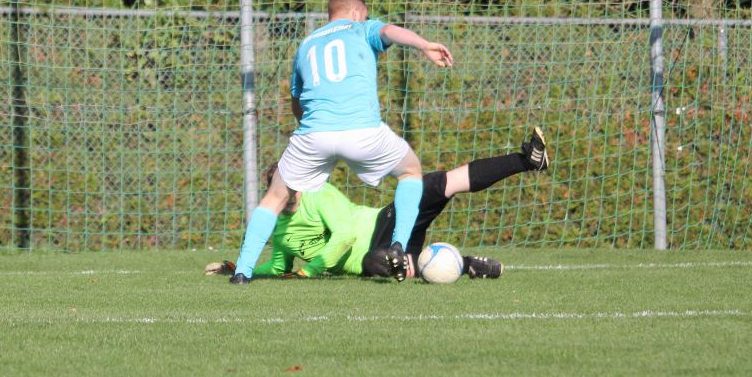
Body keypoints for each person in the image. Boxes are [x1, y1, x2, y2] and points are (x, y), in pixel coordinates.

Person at [229, 0, 453, 285]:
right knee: (410, 171)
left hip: (313, 135)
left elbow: (297, 102)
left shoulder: (306, 44)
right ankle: (398, 245)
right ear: (357, 13)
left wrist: (313, 132)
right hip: (362, 131)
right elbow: (390, 31)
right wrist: (424, 44)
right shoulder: (361, 28)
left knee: (275, 196)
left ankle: (242, 271)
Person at [208, 128, 549, 280]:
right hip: (374, 259)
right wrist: (237, 268)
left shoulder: (318, 193)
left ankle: (526, 160)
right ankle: (467, 265)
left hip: (384, 224)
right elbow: (279, 267)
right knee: (379, 263)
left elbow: (345, 236)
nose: (289, 190)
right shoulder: (279, 229)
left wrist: (310, 270)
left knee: (436, 184)